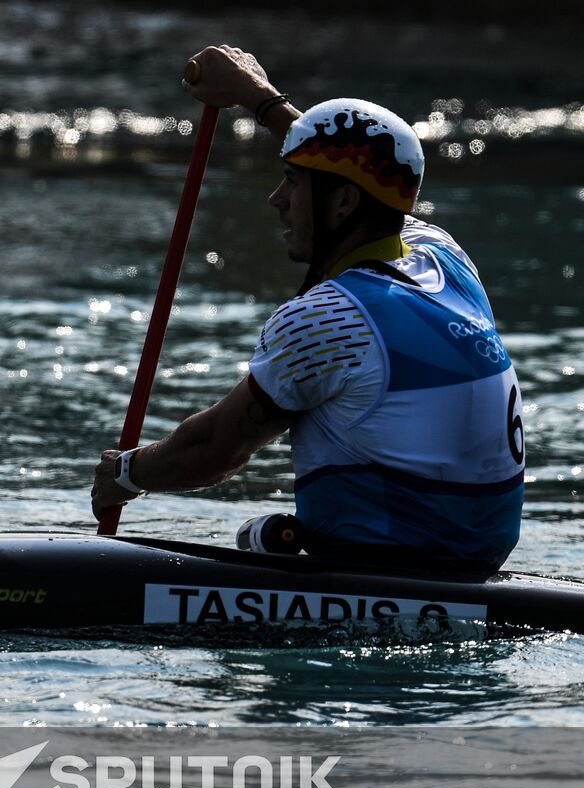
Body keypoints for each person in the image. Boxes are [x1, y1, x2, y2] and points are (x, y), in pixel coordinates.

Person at [90, 45, 525, 572]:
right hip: (474, 564)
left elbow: (212, 452)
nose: (276, 199)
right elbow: (372, 177)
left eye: (292, 184)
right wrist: (259, 99)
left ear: (342, 205)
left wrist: (127, 473)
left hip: (384, 575)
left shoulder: (330, 318)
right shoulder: (445, 259)